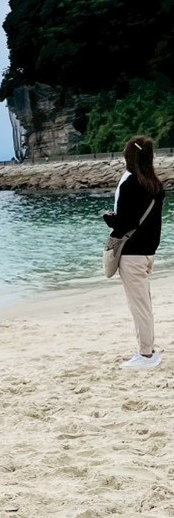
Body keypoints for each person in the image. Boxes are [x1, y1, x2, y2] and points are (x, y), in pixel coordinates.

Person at [103, 136, 164, 369]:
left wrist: (109, 219)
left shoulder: (130, 184)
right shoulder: (155, 184)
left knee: (139, 306)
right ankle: (148, 351)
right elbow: (146, 220)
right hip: (148, 252)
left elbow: (125, 224)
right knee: (143, 304)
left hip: (132, 254)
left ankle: (146, 355)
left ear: (130, 157)